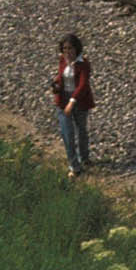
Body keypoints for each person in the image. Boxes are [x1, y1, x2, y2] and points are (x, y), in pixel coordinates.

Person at [50, 33, 96, 176]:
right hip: (63, 100)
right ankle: (74, 166)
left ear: (77, 49)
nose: (67, 52)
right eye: (65, 49)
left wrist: (72, 101)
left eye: (70, 49)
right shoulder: (62, 60)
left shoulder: (84, 64)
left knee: (81, 130)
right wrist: (57, 84)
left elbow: (82, 85)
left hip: (79, 100)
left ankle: (84, 157)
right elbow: (61, 75)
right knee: (67, 133)